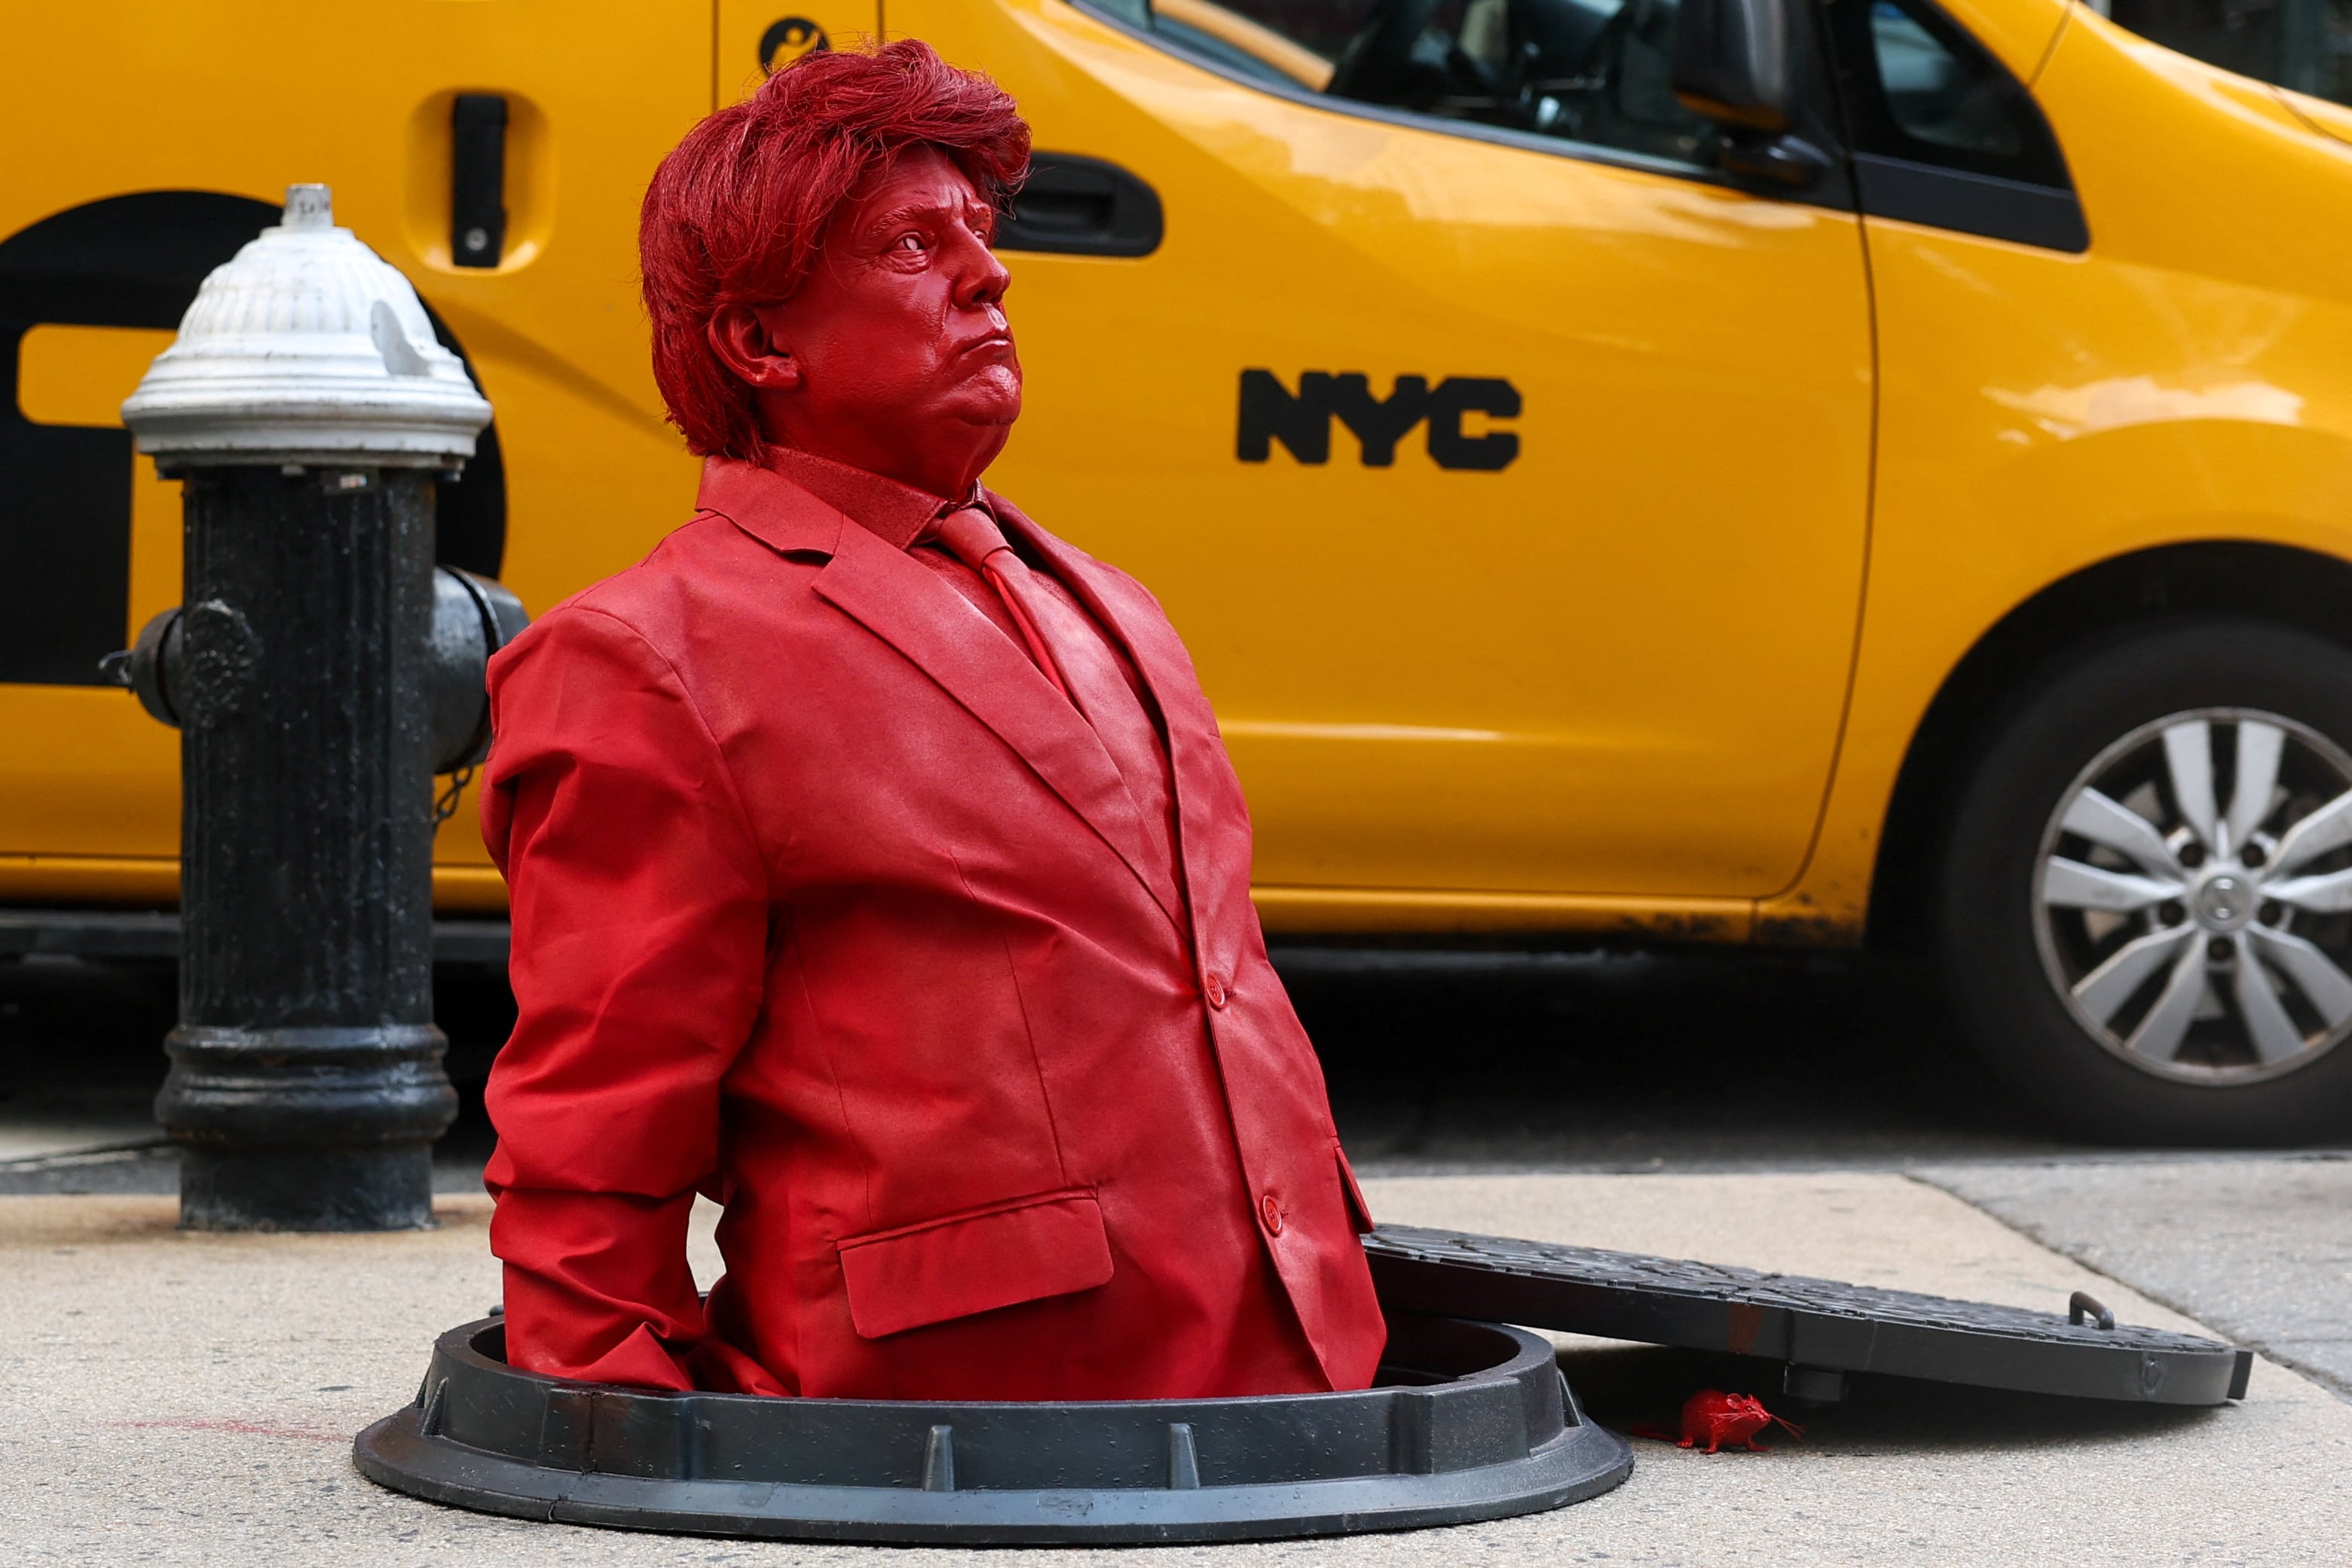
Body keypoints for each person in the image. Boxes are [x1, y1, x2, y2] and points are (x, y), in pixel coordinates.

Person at [477, 38, 1387, 1401]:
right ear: (759, 342)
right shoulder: (645, 655)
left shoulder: (1112, 602)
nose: (986, 273)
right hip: (951, 1409)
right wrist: (609, 1430)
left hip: (1305, 1371)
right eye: (912, 243)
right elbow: (595, 1115)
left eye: (980, 232)